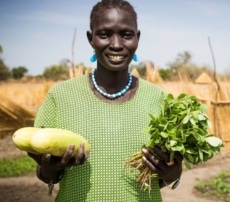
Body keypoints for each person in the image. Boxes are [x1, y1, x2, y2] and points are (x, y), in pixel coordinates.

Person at [27, 0, 183, 201]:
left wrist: (173, 174)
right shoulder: (61, 96)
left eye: (126, 35)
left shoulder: (158, 98)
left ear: (138, 38)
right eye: (105, 34)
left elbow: (166, 175)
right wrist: (49, 170)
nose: (116, 45)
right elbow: (45, 175)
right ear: (91, 39)